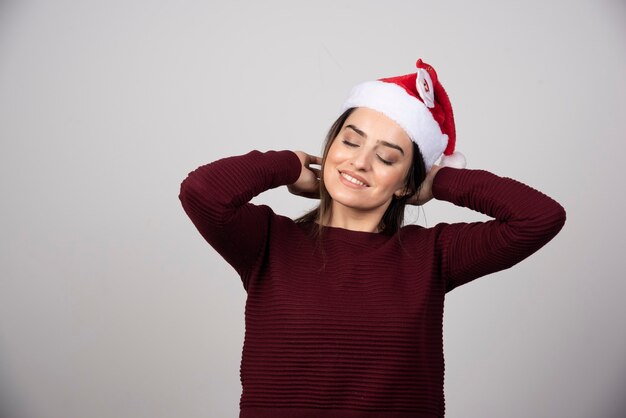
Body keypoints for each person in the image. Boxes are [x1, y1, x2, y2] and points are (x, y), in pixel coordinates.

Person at [179, 59, 566, 418]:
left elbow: (538, 218)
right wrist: (289, 164)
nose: (360, 162)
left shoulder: (432, 255)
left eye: (387, 158)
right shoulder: (268, 241)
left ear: (405, 183)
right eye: (350, 142)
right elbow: (202, 192)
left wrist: (441, 181)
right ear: (330, 146)